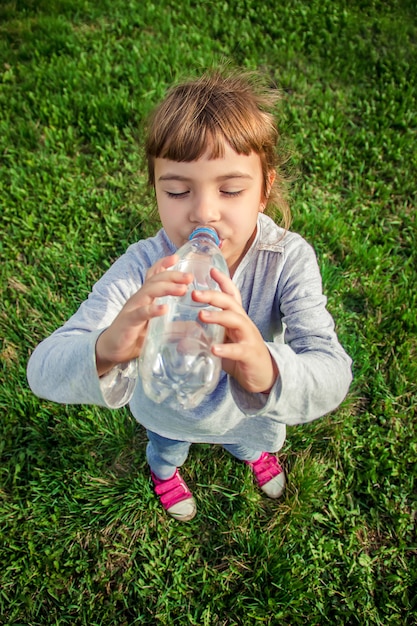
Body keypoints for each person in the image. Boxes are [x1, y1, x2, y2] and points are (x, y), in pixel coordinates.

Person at [27, 69, 352, 522]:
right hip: (167, 414)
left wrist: (265, 368)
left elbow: (332, 370)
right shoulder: (146, 267)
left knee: (249, 438)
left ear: (264, 190)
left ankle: (252, 453)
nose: (203, 211)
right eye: (178, 190)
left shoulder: (286, 260)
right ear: (156, 191)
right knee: (166, 447)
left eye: (231, 189)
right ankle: (164, 471)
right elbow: (42, 369)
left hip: (249, 415)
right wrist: (108, 345)